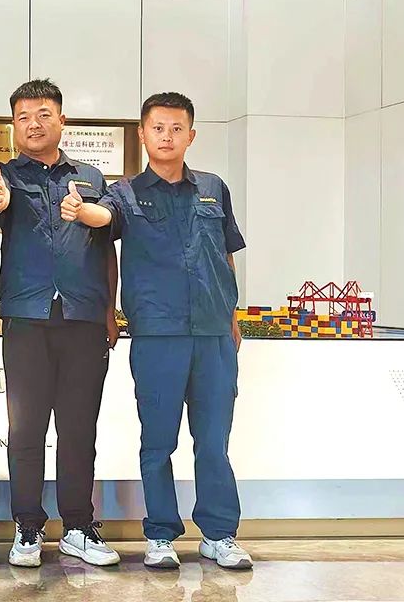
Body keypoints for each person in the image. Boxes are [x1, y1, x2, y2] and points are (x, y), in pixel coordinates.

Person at [72, 92, 252, 570]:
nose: (167, 137)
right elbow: (103, 217)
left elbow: (225, 253)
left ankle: (219, 534)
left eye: (176, 129)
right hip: (157, 334)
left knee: (213, 441)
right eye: (158, 128)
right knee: (158, 441)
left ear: (191, 135)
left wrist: (231, 315)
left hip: (213, 335)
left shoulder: (213, 187)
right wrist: (82, 210)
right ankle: (161, 535)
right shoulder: (125, 192)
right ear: (142, 134)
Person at [0, 78, 120, 568]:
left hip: (83, 318)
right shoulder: (1, 178)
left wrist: (109, 310)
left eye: (43, 115)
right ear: (13, 126)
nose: (33, 124)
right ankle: (27, 526)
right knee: (26, 428)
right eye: (23, 117)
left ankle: (78, 526)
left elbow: (107, 247)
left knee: (79, 428)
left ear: (62, 120)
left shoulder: (91, 177)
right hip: (26, 318)